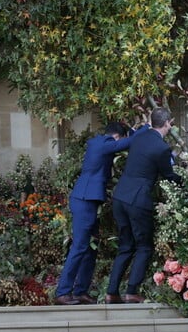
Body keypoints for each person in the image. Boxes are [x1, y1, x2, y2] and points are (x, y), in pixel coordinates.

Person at [54, 120, 149, 305]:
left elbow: (126, 141)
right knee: (80, 246)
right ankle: (63, 292)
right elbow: (128, 143)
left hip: (89, 200)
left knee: (90, 248)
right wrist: (148, 128)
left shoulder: (99, 143)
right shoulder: (104, 143)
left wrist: (133, 129)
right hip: (84, 199)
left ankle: (81, 291)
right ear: (116, 136)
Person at [105, 107, 181, 304]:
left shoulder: (139, 137)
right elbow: (169, 176)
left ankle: (112, 292)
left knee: (125, 246)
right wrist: (187, 180)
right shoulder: (162, 148)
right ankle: (131, 291)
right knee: (144, 247)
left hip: (120, 196)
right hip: (138, 201)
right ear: (167, 123)